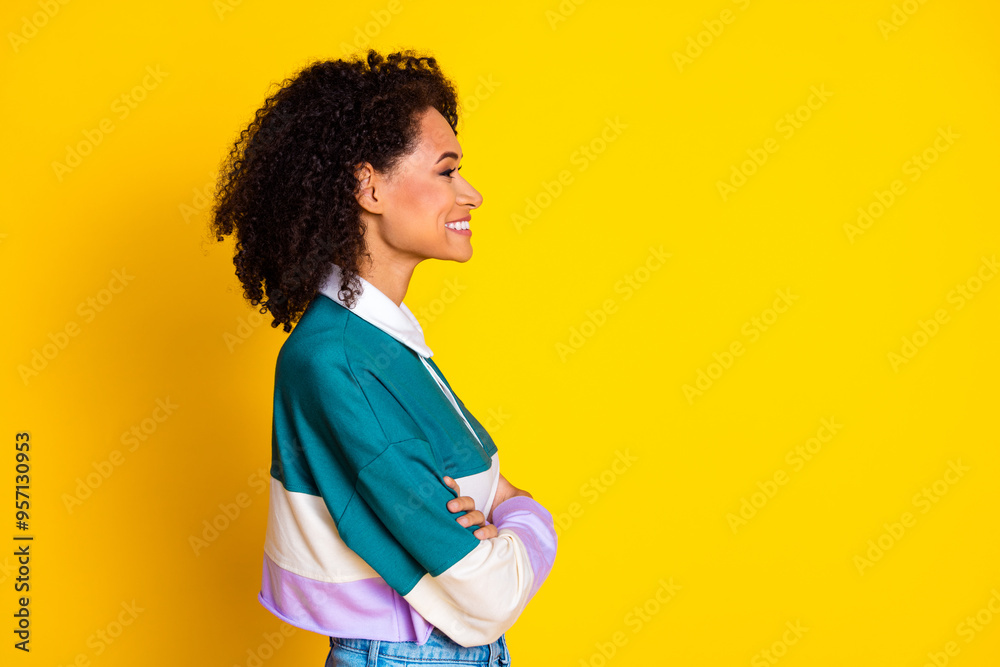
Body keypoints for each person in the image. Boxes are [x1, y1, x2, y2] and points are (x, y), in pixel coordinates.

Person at [210, 49, 558, 666]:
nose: (471, 194)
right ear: (368, 186)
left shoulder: (382, 341)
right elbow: (488, 591)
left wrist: (502, 511)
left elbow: (488, 488)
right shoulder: (338, 361)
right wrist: (529, 517)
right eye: (447, 171)